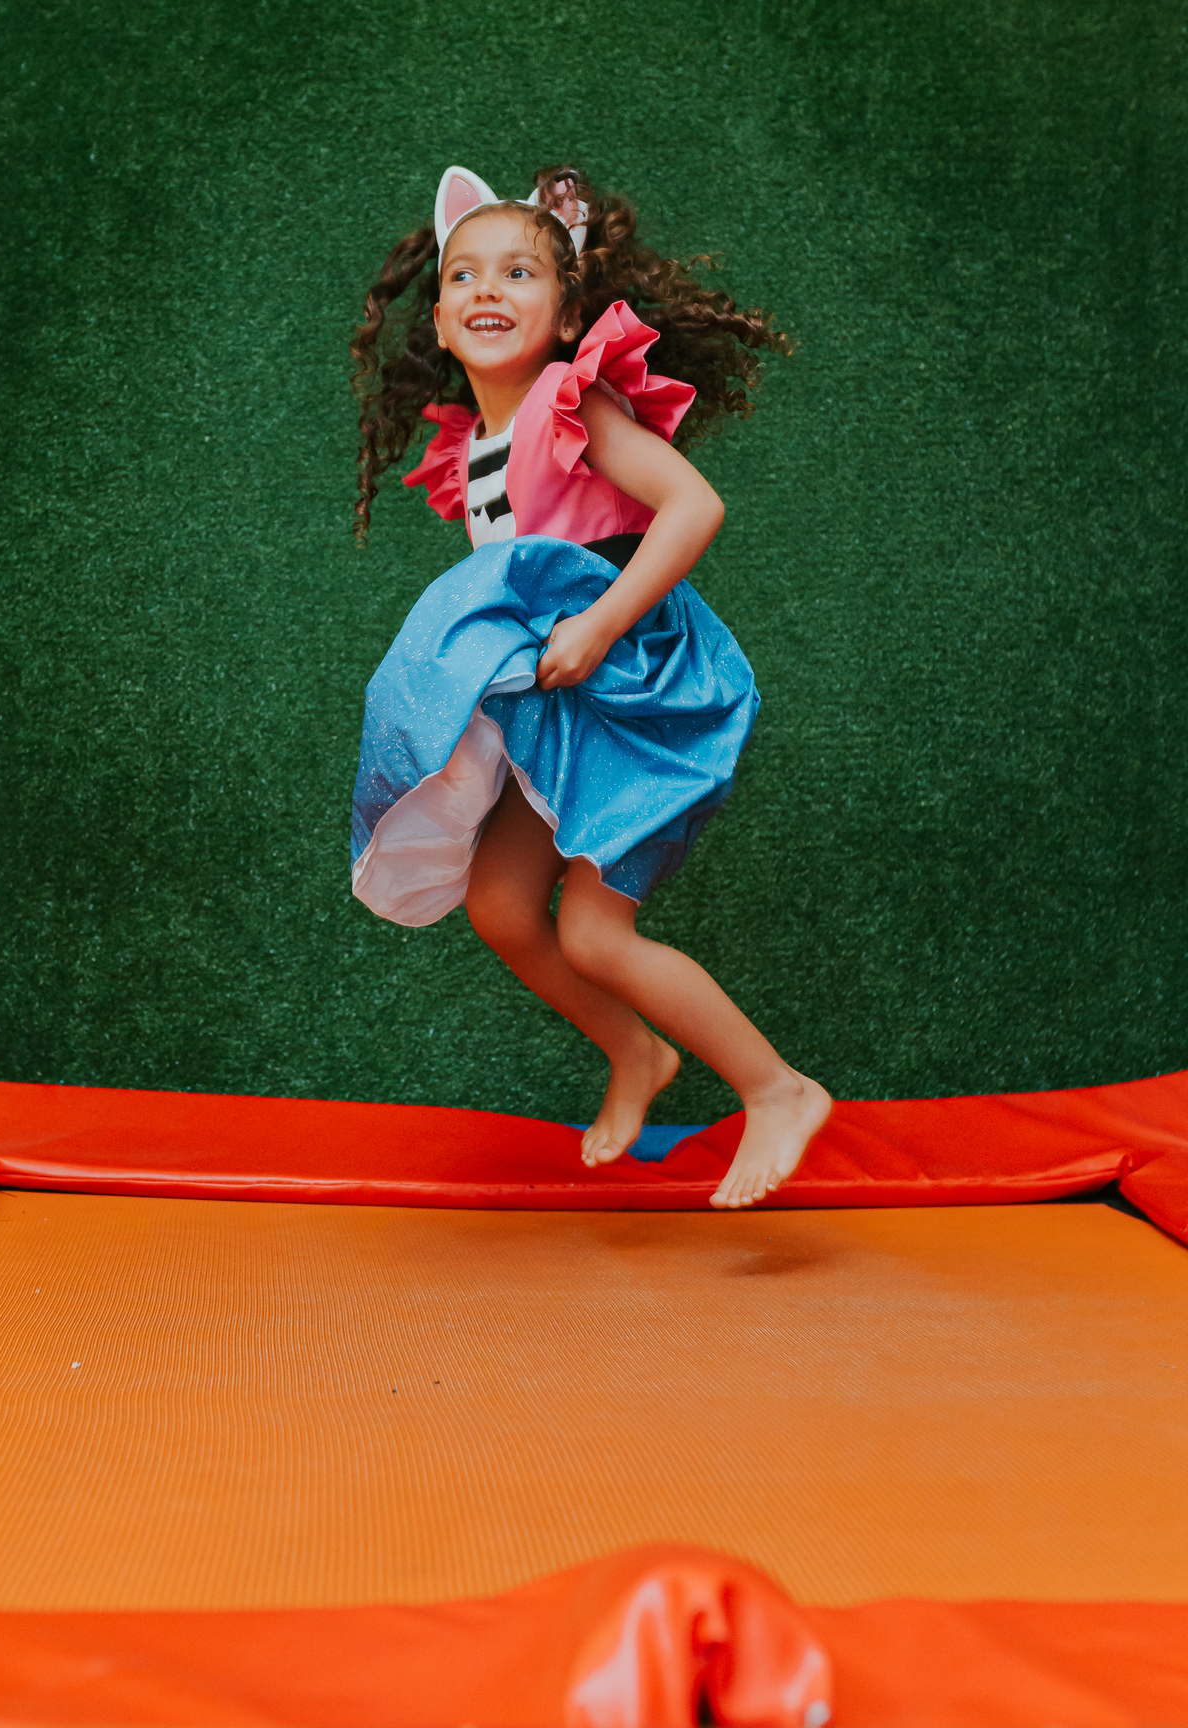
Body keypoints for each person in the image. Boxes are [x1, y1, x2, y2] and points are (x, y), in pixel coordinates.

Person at [349, 164, 830, 1207]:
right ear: (436, 318)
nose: (487, 289)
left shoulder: (576, 408)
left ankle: (777, 1088)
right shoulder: (471, 448)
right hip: (553, 713)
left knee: (592, 931)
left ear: (569, 316)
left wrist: (602, 623)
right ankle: (639, 1056)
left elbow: (692, 508)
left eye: (519, 272)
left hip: (637, 695)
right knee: (504, 909)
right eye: (465, 274)